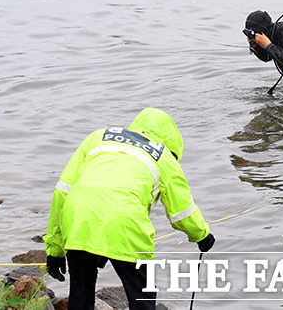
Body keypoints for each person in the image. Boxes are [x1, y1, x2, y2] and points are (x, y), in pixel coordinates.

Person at [44, 107, 215, 310]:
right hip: (125, 225)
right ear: (171, 141)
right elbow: (182, 212)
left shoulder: (98, 137)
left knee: (81, 294)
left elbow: (62, 191)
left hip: (79, 218)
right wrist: (202, 236)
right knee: (141, 298)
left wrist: (54, 249)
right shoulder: (164, 157)